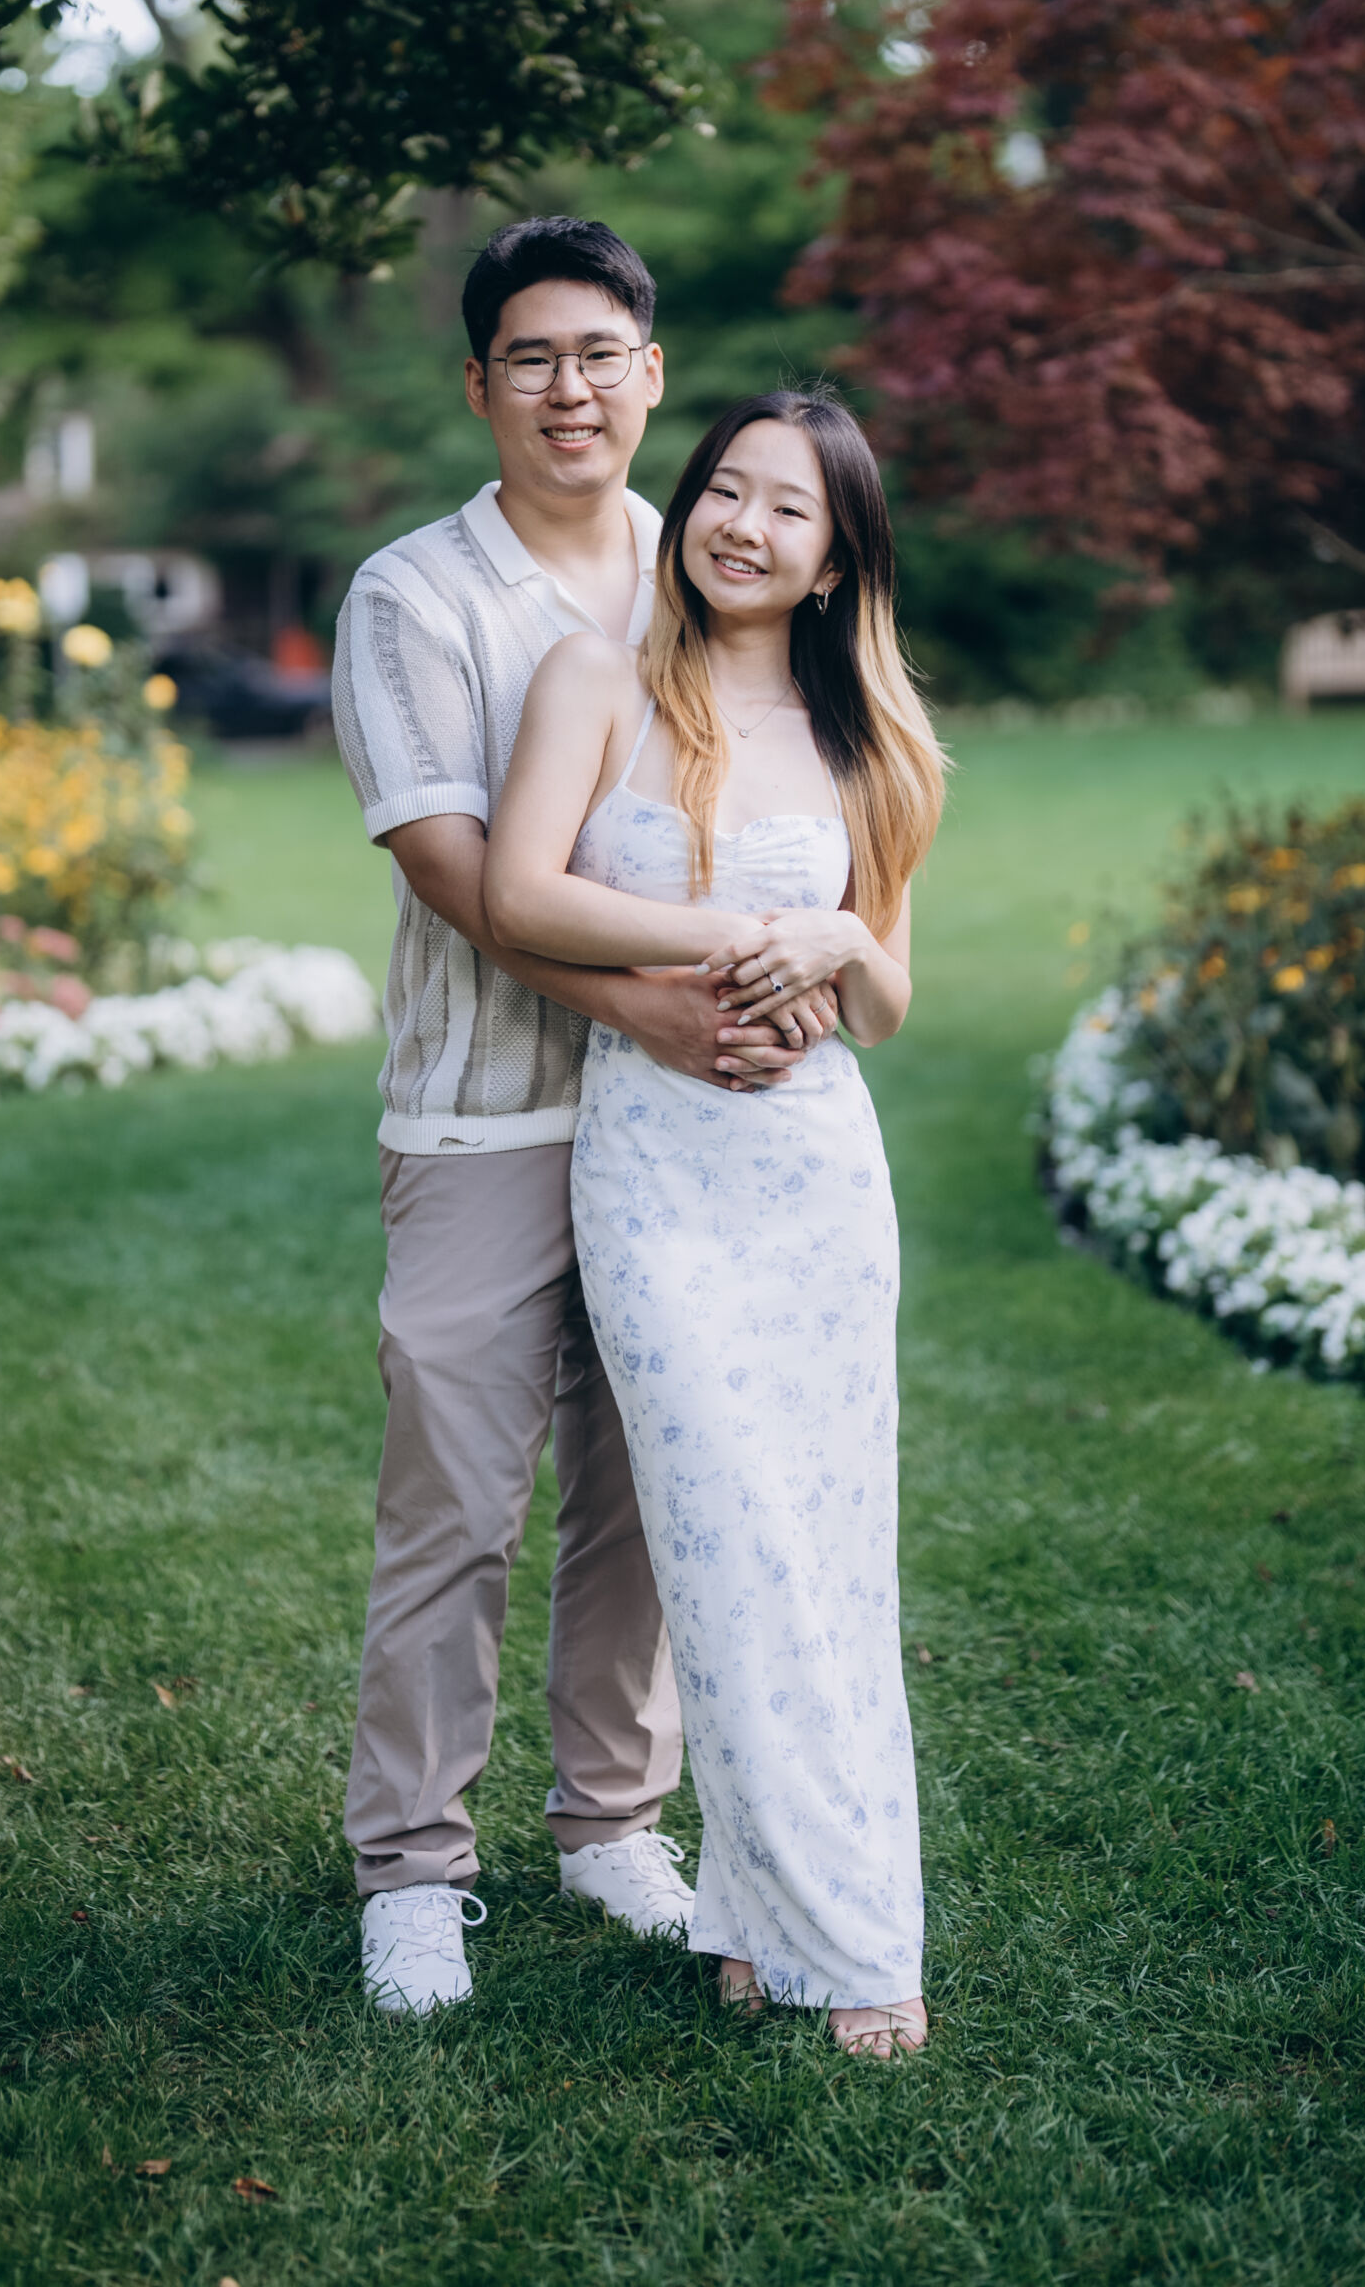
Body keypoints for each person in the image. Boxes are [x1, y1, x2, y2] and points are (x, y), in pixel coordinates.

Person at [331, 221, 841, 2017]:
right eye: (533, 357)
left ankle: (613, 1823)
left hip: (686, 1129)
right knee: (455, 1501)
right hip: (486, 1114)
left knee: (648, 1489)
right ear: (481, 383)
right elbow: (460, 871)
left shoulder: (699, 566)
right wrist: (654, 1005)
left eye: (602, 354)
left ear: (651, 375)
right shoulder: (414, 596)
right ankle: (413, 1867)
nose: (571, 389)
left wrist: (798, 973)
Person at [482, 387, 946, 2057]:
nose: (743, 525)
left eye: (788, 508)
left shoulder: (870, 742)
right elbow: (520, 891)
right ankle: (839, 1938)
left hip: (814, 1183)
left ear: (837, 562)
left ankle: (780, 1918)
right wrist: (743, 936)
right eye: (725, 490)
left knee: (825, 1550)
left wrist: (842, 946)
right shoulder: (597, 680)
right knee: (723, 1546)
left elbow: (884, 999)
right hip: (657, 1177)